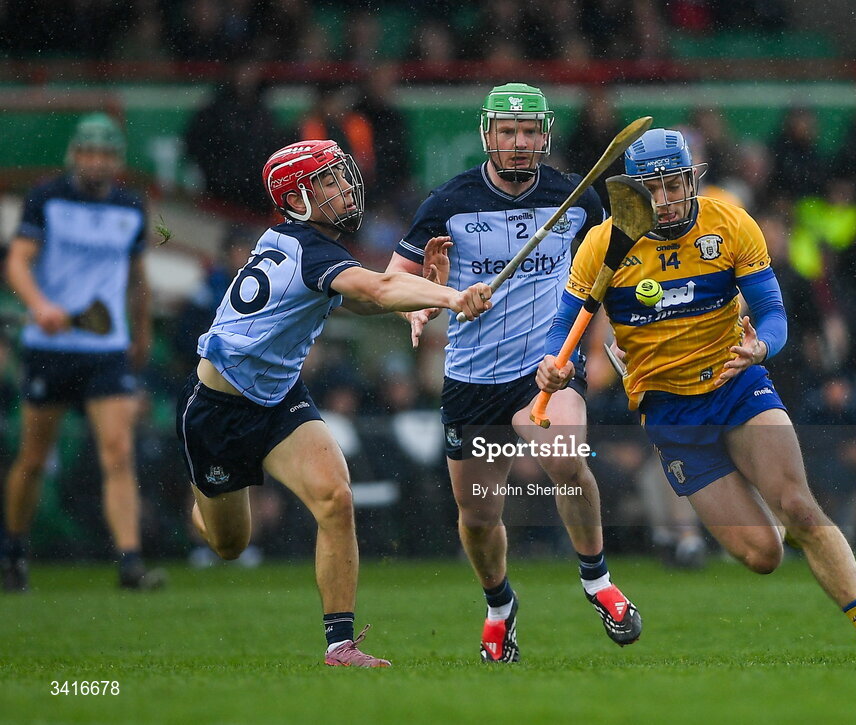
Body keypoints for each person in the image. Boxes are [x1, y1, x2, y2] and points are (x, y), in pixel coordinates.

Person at [537, 128, 856, 662]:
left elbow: (773, 314)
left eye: (674, 185)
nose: (664, 200)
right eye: (651, 190)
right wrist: (560, 367)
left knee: (800, 506)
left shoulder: (730, 224)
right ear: (633, 193)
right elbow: (565, 329)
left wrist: (761, 350)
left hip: (737, 384)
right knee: (763, 555)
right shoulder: (604, 243)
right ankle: (762, 497)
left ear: (692, 180)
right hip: (669, 410)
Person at [176, 139, 491, 668]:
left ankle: (340, 645)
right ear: (297, 198)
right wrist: (453, 296)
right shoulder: (312, 249)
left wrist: (423, 286)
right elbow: (382, 288)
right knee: (230, 545)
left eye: (341, 176)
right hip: (219, 411)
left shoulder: (308, 245)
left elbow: (365, 298)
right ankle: (202, 501)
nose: (344, 188)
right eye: (327, 182)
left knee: (335, 498)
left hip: (277, 401)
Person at [387, 82, 641, 663]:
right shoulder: (448, 203)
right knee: (478, 516)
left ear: (544, 135)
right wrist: (433, 298)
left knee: (564, 459)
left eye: (529, 132)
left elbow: (603, 280)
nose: (520, 143)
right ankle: (499, 605)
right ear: (488, 136)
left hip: (546, 368)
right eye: (508, 132)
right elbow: (393, 281)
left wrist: (603, 346)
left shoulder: (576, 199)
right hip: (472, 380)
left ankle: (597, 580)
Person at [1, 113, 162, 592]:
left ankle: (130, 563)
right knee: (32, 457)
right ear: (75, 155)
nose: (97, 161)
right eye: (89, 152)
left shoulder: (131, 207)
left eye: (106, 153)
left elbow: (136, 279)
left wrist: (143, 330)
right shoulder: (47, 198)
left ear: (117, 160)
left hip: (106, 348)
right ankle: (13, 554)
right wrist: (39, 305)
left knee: (118, 451)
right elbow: (18, 262)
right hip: (49, 346)